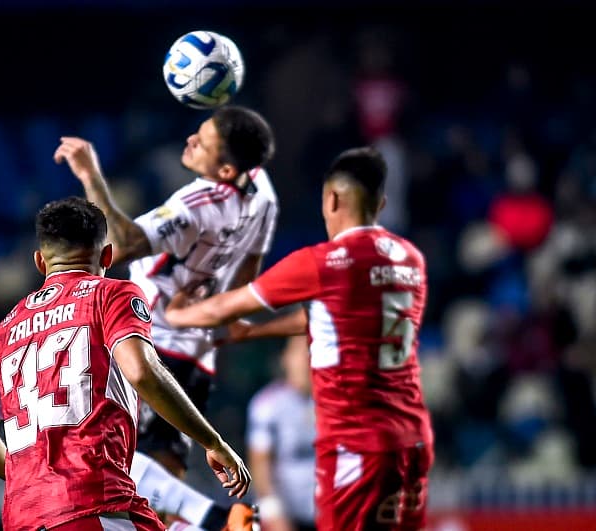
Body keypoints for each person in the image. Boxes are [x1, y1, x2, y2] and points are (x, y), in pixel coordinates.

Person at [165, 147, 434, 531]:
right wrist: (255, 332)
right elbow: (331, 318)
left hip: (355, 443)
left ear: (333, 199)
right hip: (410, 439)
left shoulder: (324, 262)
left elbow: (224, 307)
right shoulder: (410, 259)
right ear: (381, 203)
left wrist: (177, 313)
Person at [0, 197, 251, 531]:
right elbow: (140, 371)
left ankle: (214, 521)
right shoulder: (110, 295)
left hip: (24, 518)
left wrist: (29, 477)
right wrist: (213, 442)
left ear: (40, 262)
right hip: (91, 504)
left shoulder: (2, 333)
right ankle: (220, 522)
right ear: (106, 255)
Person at [53, 105, 277, 482]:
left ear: (224, 171)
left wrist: (90, 175)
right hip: (194, 352)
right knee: (164, 473)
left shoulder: (196, 205)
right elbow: (248, 267)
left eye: (203, 143)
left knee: (124, 473)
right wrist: (220, 314)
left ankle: (220, 519)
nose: (190, 140)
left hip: (150, 344)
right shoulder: (263, 194)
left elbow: (122, 245)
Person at [246, 335, 316, 531]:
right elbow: (260, 462)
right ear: (286, 358)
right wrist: (272, 511)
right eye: (301, 353)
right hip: (285, 518)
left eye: (311, 353)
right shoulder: (269, 404)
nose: (306, 360)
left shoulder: (338, 404)